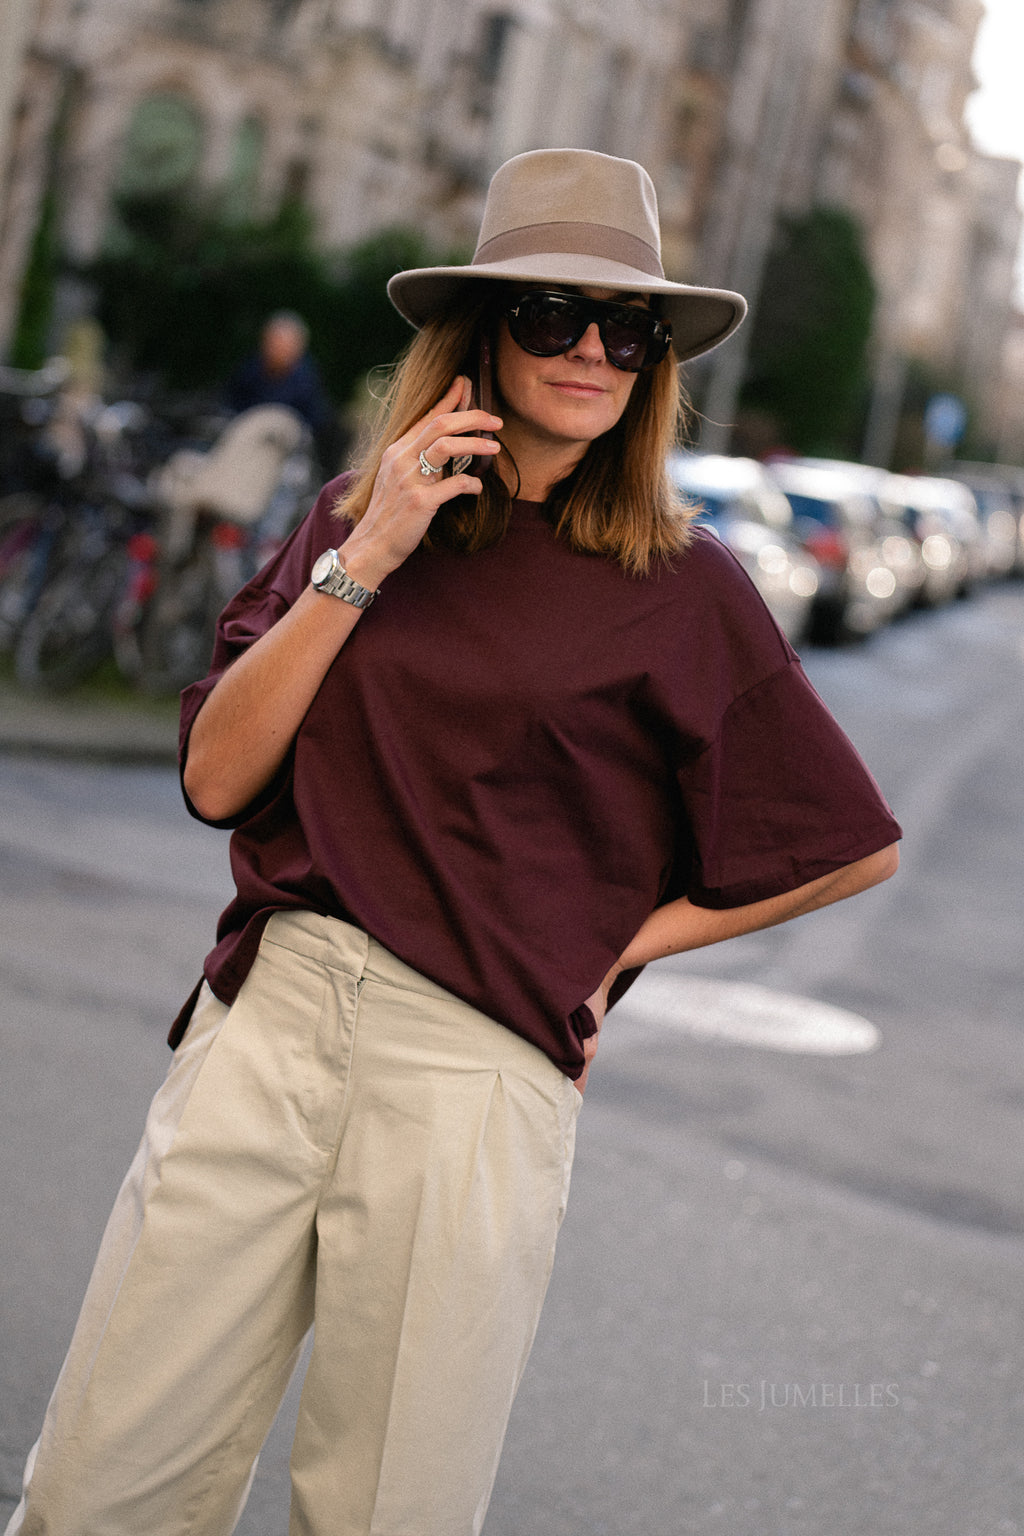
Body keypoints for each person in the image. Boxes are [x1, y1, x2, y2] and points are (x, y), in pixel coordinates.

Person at [8, 149, 900, 1536]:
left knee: (387, 1512)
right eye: (553, 313)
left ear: (653, 363)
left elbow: (844, 846)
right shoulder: (355, 517)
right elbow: (217, 775)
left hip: (474, 1071)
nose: (592, 350)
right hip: (270, 1025)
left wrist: (609, 958)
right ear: (482, 329)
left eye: (628, 330)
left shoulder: (683, 585)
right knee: (100, 1486)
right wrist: (373, 551)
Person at [226, 310, 342, 474]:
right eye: (274, 342)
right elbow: (232, 406)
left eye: (284, 344)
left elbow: (316, 423)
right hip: (246, 445)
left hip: (287, 453)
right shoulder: (250, 370)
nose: (277, 349)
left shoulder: (307, 379)